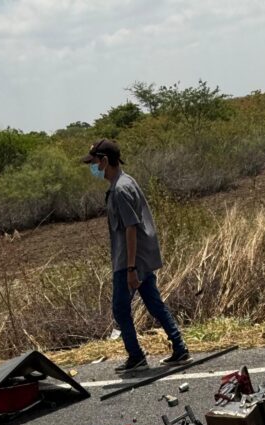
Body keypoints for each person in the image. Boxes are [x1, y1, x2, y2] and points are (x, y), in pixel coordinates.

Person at [81, 138, 190, 372]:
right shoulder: (125, 182)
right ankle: (179, 348)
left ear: (105, 161)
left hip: (129, 260)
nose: (93, 167)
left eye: (95, 162)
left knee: (120, 309)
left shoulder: (121, 189)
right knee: (153, 302)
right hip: (136, 258)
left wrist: (130, 269)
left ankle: (136, 356)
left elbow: (131, 228)